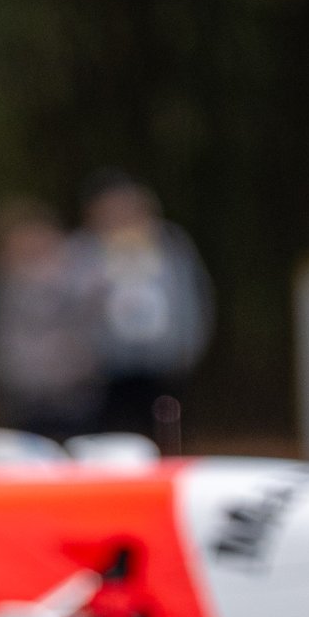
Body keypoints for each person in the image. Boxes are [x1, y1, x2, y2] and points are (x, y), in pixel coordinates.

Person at [70, 172, 213, 439]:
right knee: (108, 437)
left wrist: (187, 350)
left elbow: (190, 299)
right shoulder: (82, 251)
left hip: (163, 365)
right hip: (103, 371)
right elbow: (70, 305)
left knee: (164, 432)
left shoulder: (170, 244)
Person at [0, 196, 100, 439]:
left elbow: (94, 325)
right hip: (23, 391)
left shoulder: (80, 276)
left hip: (75, 390)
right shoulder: (2, 281)